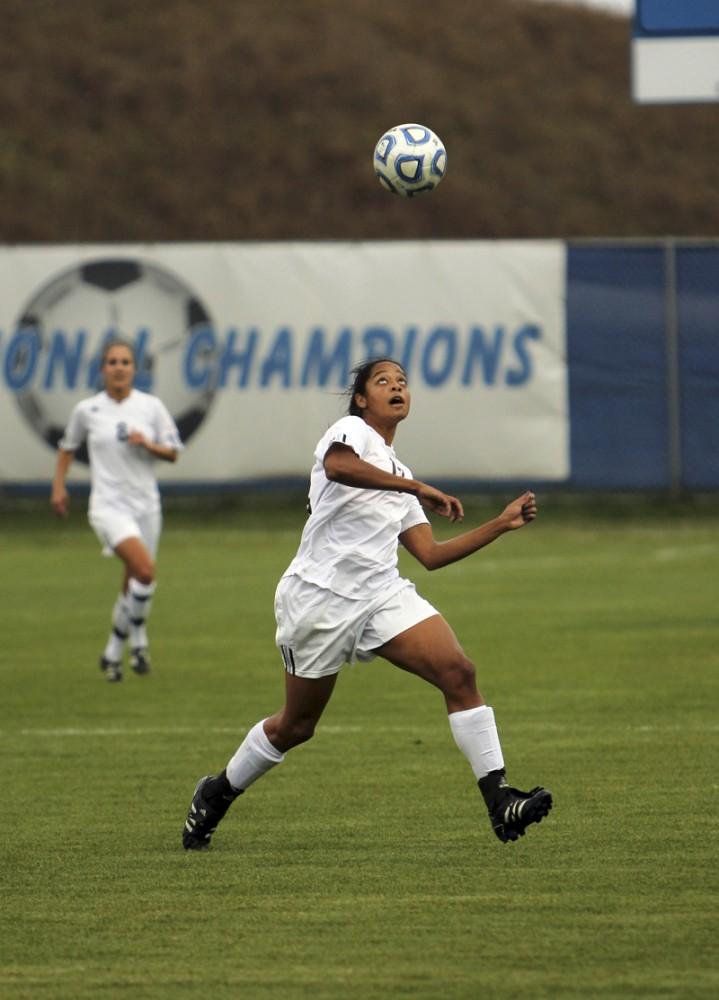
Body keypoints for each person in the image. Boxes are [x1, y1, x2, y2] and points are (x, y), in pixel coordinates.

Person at [182, 357, 552, 850]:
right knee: (296, 726)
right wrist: (414, 486)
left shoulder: (399, 473)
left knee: (459, 672)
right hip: (317, 599)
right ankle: (217, 792)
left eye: (402, 382)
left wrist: (500, 524)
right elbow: (338, 466)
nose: (396, 387)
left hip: (380, 594)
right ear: (361, 398)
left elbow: (430, 555)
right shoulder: (350, 431)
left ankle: (500, 799)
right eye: (383, 381)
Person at [51, 338, 183, 682]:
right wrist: (59, 487)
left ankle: (113, 651)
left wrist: (148, 444)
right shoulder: (88, 410)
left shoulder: (150, 406)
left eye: (125, 361)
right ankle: (138, 639)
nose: (119, 367)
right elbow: (67, 448)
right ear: (102, 370)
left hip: (146, 505)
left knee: (134, 581)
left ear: (134, 369)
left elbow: (173, 452)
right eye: (112, 362)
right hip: (108, 507)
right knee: (144, 571)